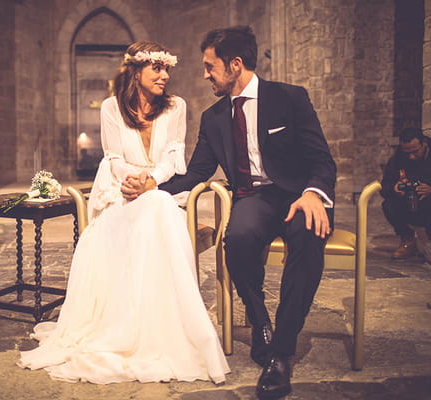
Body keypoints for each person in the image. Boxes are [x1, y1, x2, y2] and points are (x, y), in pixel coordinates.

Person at [122, 27, 336, 399]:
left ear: (235, 65)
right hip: (254, 198)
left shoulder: (290, 98)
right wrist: (153, 187)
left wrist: (315, 194)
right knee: (236, 240)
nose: (205, 74)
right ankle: (261, 325)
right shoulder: (214, 117)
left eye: (210, 66)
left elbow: (321, 159)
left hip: (298, 195)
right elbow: (196, 174)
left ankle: (280, 352)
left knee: (309, 235)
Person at [17, 41, 230, 384]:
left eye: (167, 69)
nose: (165, 75)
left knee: (158, 204)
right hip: (121, 196)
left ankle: (161, 325)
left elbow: (175, 158)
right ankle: (133, 326)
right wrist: (134, 184)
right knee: (152, 207)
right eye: (157, 68)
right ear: (136, 71)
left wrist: (152, 182)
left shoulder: (177, 106)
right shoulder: (111, 108)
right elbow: (113, 157)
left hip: (160, 193)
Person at [380, 127, 431, 261]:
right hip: (409, 201)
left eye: (415, 152)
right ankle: (408, 240)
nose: (411, 157)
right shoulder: (399, 157)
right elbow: (385, 186)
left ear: (424, 144)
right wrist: (394, 188)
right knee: (389, 204)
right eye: (407, 152)